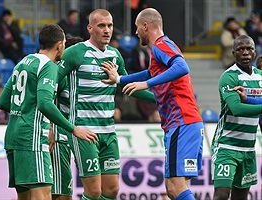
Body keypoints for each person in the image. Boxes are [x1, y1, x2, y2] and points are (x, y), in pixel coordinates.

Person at [101, 8, 203, 200]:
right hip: (189, 123)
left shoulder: (160, 45)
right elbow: (149, 73)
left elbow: (181, 67)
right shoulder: (164, 47)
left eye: (137, 27)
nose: (136, 32)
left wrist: (146, 85)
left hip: (181, 123)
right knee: (176, 187)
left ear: (145, 26)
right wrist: (120, 79)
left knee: (174, 188)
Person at [59, 9, 156, 200]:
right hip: (85, 132)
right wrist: (55, 125)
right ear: (90, 28)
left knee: (111, 190)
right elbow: (53, 86)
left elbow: (128, 86)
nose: (106, 30)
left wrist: (160, 99)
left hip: (109, 132)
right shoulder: (74, 53)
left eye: (109, 26)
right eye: (101, 26)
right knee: (93, 192)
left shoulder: (115, 55)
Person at [0, 24, 98, 200]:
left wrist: (25, 110)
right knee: (42, 195)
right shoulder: (49, 66)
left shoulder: (24, 61)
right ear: (59, 45)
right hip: (33, 140)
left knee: (25, 198)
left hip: (13, 138)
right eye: (64, 44)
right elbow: (45, 103)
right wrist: (74, 129)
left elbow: (3, 101)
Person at [211, 35, 260, 200]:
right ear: (233, 53)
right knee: (222, 195)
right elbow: (237, 109)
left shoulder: (260, 77)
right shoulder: (229, 77)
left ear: (254, 52)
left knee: (240, 198)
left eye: (249, 49)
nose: (245, 53)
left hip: (248, 148)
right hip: (227, 145)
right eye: (240, 49)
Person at [51, 35, 84, 200]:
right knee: (61, 195)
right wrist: (49, 128)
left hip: (77, 135)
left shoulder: (81, 77)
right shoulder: (61, 75)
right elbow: (44, 102)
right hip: (59, 137)